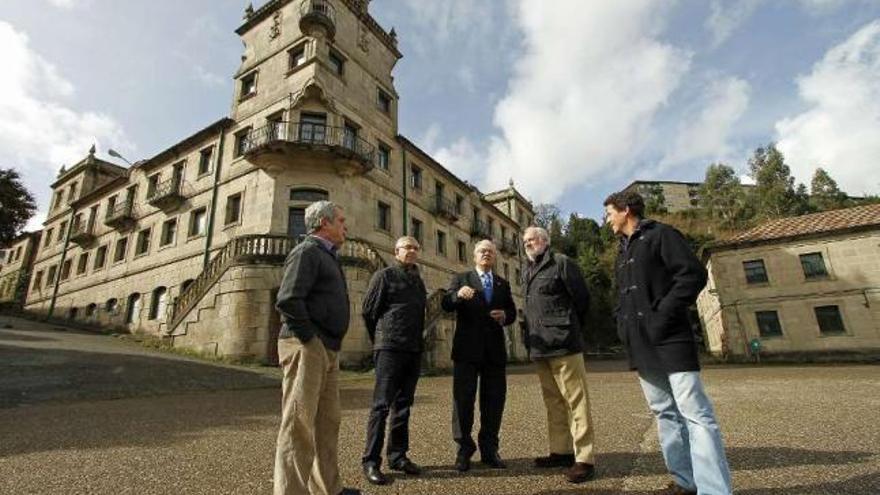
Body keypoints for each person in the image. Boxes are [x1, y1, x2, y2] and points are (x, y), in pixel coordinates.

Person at [604, 191, 733, 495]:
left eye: (609, 212)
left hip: (671, 339)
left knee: (695, 413)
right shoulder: (622, 252)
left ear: (625, 210)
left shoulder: (662, 234)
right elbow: (621, 296)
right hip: (641, 344)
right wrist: (622, 323)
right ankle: (685, 482)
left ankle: (714, 490)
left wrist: (661, 315)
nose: (607, 219)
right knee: (664, 412)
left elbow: (692, 274)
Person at [273, 200, 360, 495]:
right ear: (324, 223)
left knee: (327, 423)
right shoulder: (306, 251)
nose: (345, 226)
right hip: (306, 346)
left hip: (327, 348)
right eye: (341, 220)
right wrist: (311, 340)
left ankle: (328, 490)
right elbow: (288, 300)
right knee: (298, 425)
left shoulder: (329, 256)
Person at [521, 226, 597, 484]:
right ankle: (561, 451)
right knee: (553, 401)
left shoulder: (562, 262)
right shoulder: (528, 269)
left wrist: (569, 327)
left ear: (545, 240)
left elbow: (582, 300)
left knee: (576, 401)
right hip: (540, 346)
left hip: (564, 343)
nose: (528, 244)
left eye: (532, 239)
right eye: (525, 241)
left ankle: (584, 458)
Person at [441, 239, 516, 472]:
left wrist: (504, 315)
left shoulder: (503, 284)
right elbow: (445, 304)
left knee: (493, 402)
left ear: (495, 257)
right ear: (474, 256)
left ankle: (489, 450)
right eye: (482, 251)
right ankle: (464, 449)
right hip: (466, 350)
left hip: (494, 352)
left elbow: (512, 312)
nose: (486, 254)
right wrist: (457, 296)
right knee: (463, 401)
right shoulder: (461, 279)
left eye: (491, 252)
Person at [360, 236, 427, 485]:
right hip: (389, 348)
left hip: (413, 349)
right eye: (406, 247)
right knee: (381, 406)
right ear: (396, 251)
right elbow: (368, 311)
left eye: (415, 247)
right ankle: (370, 462)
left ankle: (398, 456)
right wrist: (380, 338)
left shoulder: (418, 281)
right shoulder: (384, 276)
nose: (411, 250)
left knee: (404, 405)